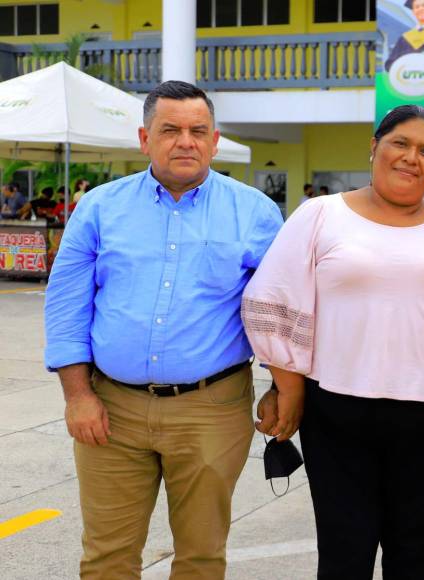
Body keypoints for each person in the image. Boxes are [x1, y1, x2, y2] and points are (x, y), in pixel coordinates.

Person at [43, 80, 283, 579]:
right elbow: (67, 306)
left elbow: (278, 311)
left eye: (198, 131)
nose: (185, 141)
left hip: (211, 410)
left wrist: (282, 387)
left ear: (215, 141)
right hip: (111, 409)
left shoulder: (256, 213)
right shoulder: (99, 208)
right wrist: (77, 396)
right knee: (107, 557)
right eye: (170, 129)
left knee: (200, 557)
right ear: (144, 137)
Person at [242, 105, 424, 580]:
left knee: (416, 555)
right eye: (400, 144)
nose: (411, 158)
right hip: (338, 410)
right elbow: (272, 298)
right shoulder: (321, 216)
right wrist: (288, 388)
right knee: (345, 554)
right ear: (374, 147)